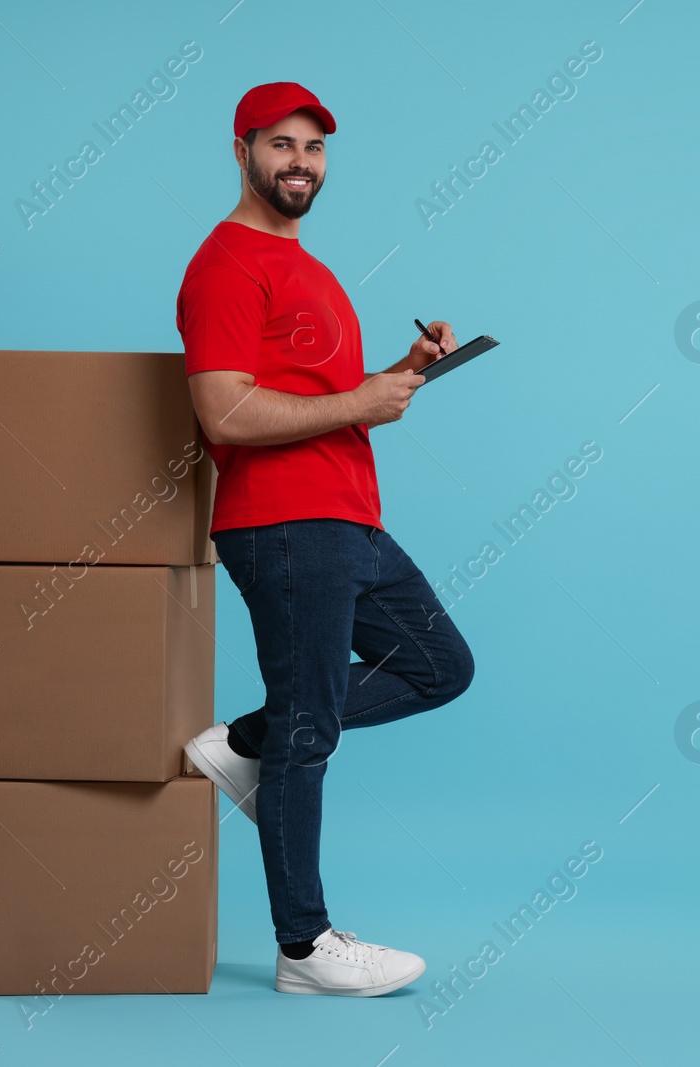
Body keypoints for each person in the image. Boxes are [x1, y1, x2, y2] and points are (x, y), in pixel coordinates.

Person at [174, 82, 475, 997]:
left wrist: (398, 375)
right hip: (283, 521)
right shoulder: (227, 265)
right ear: (242, 150)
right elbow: (222, 409)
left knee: (438, 666)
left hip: (347, 515)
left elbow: (314, 400)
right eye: (281, 146)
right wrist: (359, 401)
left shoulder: (310, 267)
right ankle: (304, 948)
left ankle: (246, 739)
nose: (300, 163)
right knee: (309, 738)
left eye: (314, 148)